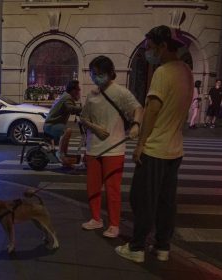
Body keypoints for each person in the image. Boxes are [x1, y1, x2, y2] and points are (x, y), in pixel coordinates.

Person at [115, 25, 193, 263]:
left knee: (142, 199)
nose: (148, 52)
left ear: (162, 46)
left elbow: (152, 111)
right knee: (166, 201)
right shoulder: (186, 71)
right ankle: (162, 247)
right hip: (174, 149)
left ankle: (137, 247)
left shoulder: (163, 72)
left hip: (155, 149)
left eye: (150, 47)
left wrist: (140, 144)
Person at [80, 55, 143, 238]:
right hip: (93, 148)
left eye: (99, 74)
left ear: (109, 73)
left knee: (113, 189)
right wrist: (94, 127)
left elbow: (138, 109)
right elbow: (83, 118)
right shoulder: (91, 95)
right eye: (93, 73)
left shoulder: (121, 93)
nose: (95, 77)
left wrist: (136, 125)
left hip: (114, 149)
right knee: (93, 187)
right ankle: (96, 218)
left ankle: (114, 224)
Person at [43, 80, 82, 165]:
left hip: (53, 124)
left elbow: (72, 109)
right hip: (51, 125)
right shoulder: (67, 97)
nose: (79, 92)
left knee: (67, 130)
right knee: (67, 130)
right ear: (73, 90)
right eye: (78, 89)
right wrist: (85, 109)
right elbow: (71, 109)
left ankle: (64, 153)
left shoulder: (66, 96)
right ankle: (60, 153)